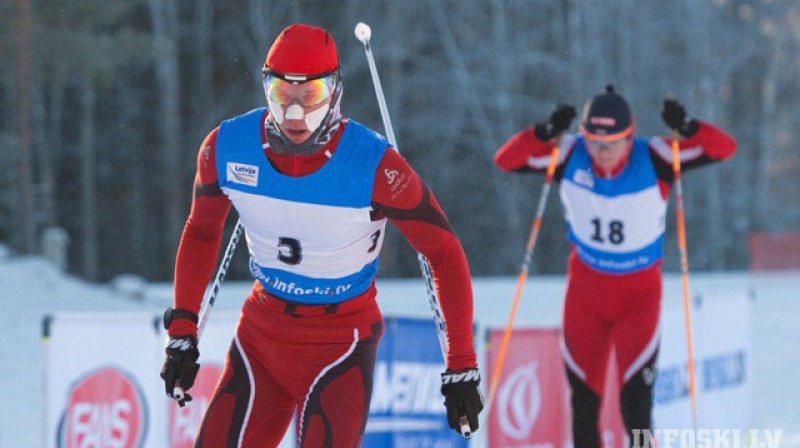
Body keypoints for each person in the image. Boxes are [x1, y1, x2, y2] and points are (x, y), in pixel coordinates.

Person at [160, 24, 483, 447]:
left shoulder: (374, 164)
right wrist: (182, 330)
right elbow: (201, 232)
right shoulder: (227, 147)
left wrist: (461, 363)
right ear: (265, 87)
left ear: (333, 93)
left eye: (309, 97)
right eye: (282, 94)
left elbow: (442, 250)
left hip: (341, 343)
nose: (294, 114)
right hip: (262, 340)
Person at [494, 85, 736, 447]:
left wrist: (688, 126)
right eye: (594, 141)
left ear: (630, 137)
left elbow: (723, 148)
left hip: (638, 298)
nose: (602, 152)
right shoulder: (568, 153)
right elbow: (506, 160)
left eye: (613, 143)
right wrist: (543, 132)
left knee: (636, 406)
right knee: (585, 404)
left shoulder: (654, 156)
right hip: (585, 296)